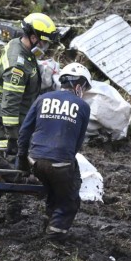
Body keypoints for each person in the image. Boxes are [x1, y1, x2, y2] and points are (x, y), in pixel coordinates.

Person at [0, 12, 59, 222]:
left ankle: (13, 212)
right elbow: (10, 104)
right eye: (44, 42)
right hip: (11, 125)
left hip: (20, 124)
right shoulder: (18, 65)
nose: (46, 47)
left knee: (16, 168)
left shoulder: (21, 48)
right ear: (34, 36)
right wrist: (12, 138)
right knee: (10, 168)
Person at [16, 62, 92, 242]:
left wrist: (22, 161)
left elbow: (24, 131)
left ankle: (48, 220)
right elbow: (77, 144)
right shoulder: (82, 106)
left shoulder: (42, 98)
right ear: (78, 86)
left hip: (35, 160)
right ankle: (53, 238)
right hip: (60, 163)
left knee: (54, 190)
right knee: (69, 200)